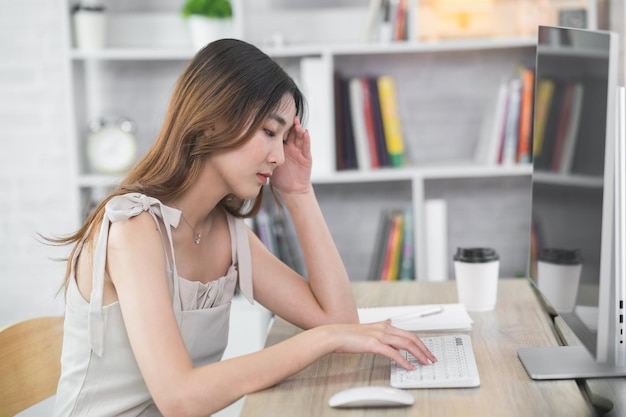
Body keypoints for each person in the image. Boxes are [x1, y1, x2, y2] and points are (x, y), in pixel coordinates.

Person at [50, 38, 436, 417]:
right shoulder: (133, 230)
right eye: (270, 132)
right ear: (213, 122)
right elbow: (180, 399)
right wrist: (325, 339)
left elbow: (339, 322)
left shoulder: (225, 232)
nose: (279, 155)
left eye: (285, 138)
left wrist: (299, 192)